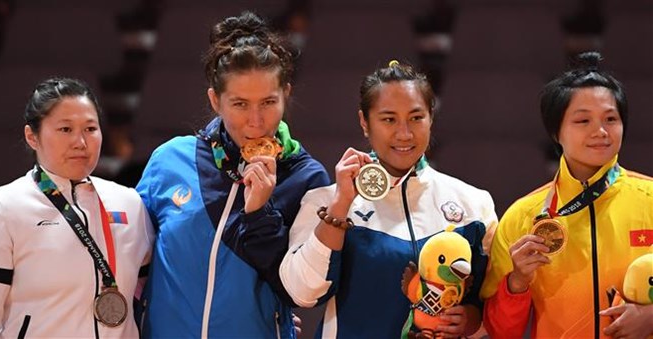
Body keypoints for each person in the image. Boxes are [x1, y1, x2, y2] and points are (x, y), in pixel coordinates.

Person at [135, 11, 330, 338]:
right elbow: (133, 269)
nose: (256, 120)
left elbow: (303, 291)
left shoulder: (306, 178)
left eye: (268, 101)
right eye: (240, 104)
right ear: (215, 100)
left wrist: (259, 214)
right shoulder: (169, 161)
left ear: (286, 94)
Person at [280, 61, 498, 338]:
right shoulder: (324, 201)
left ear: (431, 117)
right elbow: (302, 292)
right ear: (364, 122)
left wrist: (472, 320)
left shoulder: (473, 204)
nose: (404, 133)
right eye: (389, 119)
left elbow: (495, 309)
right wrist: (340, 205)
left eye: (416, 118)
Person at [480, 52, 653, 338]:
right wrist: (517, 282)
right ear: (556, 132)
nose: (600, 131)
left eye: (611, 118)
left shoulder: (649, 199)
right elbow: (498, 330)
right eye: (582, 121)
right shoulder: (523, 217)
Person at [0, 77, 154, 337]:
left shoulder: (130, 204)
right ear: (32, 137)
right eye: (65, 129)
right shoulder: (3, 207)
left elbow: (147, 295)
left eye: (90, 129)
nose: (80, 142)